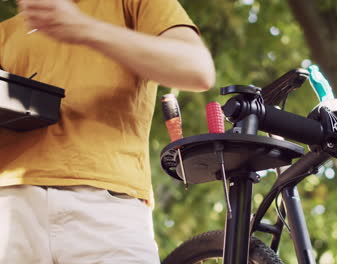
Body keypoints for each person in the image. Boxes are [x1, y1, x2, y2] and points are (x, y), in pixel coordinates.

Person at [0, 0, 215, 263]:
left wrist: (83, 27)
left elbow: (197, 68)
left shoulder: (134, 3)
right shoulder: (5, 32)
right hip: (9, 207)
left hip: (108, 205)